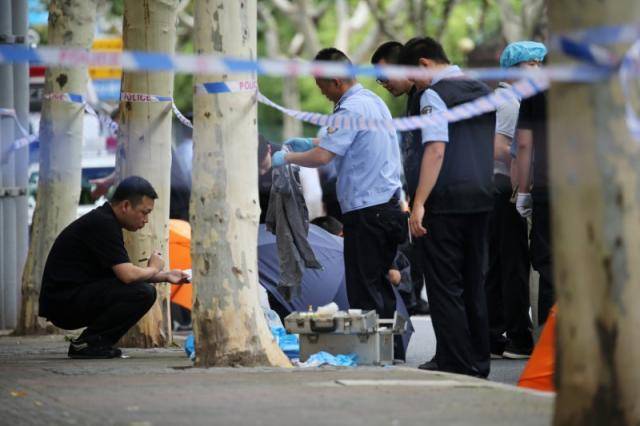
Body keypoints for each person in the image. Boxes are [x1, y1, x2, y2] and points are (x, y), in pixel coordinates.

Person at [272, 47, 406, 329]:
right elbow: (345, 143)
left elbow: (323, 158)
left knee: (365, 289)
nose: (322, 93)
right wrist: (310, 142)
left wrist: (288, 158)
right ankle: (390, 352)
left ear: (336, 82)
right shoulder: (372, 101)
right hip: (386, 206)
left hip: (368, 211)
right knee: (378, 285)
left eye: (322, 87)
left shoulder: (350, 108)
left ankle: (379, 355)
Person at [399, 37, 495, 377]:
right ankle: (478, 362)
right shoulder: (482, 88)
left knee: (444, 286)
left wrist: (420, 202)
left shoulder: (434, 94)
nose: (414, 84)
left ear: (423, 64)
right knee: (474, 283)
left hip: (446, 202)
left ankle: (456, 362)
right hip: (481, 199)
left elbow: (436, 148)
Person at [39, 176, 190, 359]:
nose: (146, 220)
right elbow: (127, 276)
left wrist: (166, 276)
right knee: (142, 293)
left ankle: (90, 343)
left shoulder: (105, 220)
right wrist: (154, 269)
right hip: (64, 303)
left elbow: (122, 274)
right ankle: (90, 343)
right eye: (144, 212)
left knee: (139, 289)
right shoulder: (103, 224)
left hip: (68, 298)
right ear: (126, 206)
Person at [485, 42, 546, 359]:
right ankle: (519, 337)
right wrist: (525, 175)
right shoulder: (511, 101)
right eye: (534, 63)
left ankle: (496, 333)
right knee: (514, 265)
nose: (539, 68)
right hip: (506, 187)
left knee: (498, 265)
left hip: (499, 188)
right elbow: (502, 145)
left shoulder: (502, 97)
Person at [371, 40, 430, 316]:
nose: (383, 84)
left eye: (385, 77)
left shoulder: (428, 96)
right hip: (416, 196)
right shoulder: (414, 98)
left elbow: (435, 150)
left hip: (430, 199)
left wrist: (420, 201)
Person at [509, 41, 554, 325]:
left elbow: (524, 144)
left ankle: (552, 349)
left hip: (550, 189)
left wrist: (523, 192)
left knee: (550, 264)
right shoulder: (597, 89)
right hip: (593, 192)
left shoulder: (535, 91)